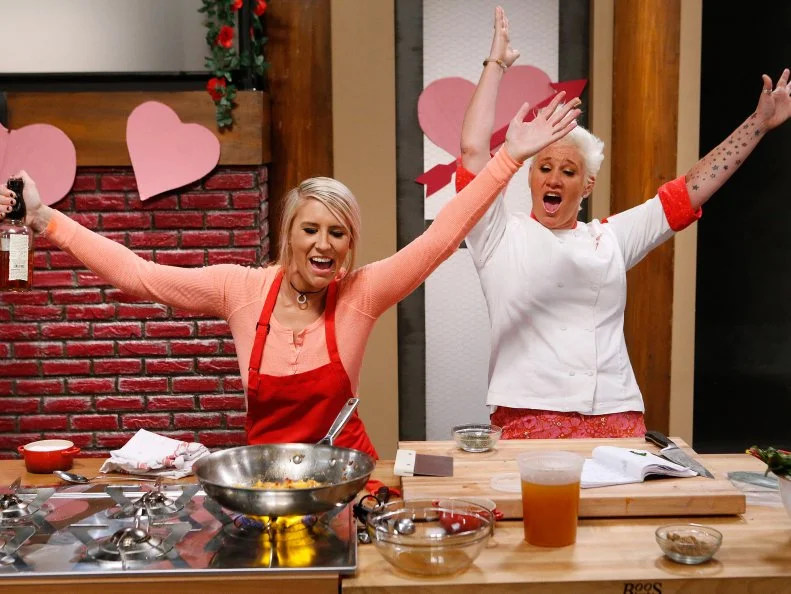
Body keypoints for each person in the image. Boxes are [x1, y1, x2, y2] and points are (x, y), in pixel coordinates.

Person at [0, 94, 581, 459]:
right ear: (288, 236)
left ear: (350, 247)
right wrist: (46, 219)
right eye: (310, 230)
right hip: (267, 488)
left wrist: (509, 159)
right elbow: (140, 275)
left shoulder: (363, 293)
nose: (322, 244)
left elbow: (442, 235)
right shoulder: (240, 289)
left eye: (337, 232)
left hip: (347, 486)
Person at [457, 6, 791, 439]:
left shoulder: (608, 237)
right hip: (529, 418)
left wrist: (758, 124)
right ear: (529, 175)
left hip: (617, 415)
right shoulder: (499, 233)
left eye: (568, 171)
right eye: (544, 167)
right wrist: (497, 65)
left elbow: (689, 190)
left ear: (587, 184)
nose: (554, 178)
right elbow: (471, 151)